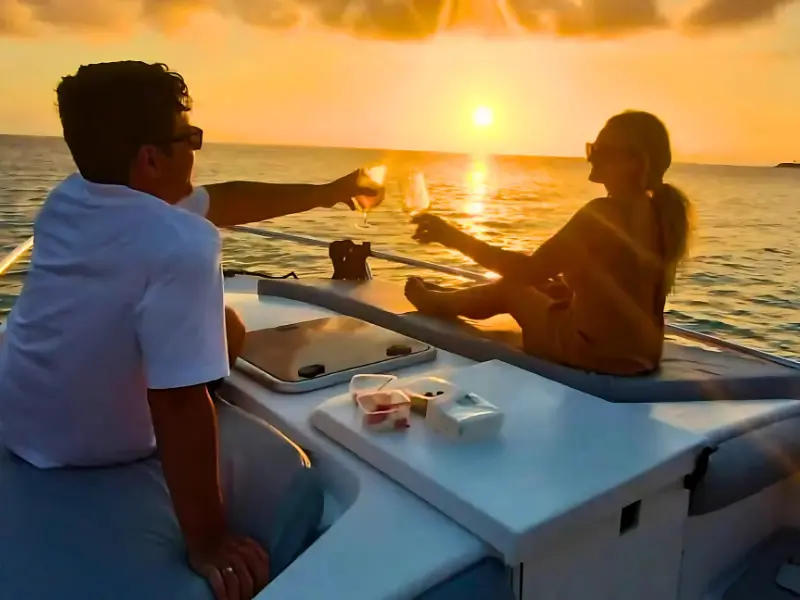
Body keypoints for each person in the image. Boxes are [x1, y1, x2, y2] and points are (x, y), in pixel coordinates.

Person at [0, 61, 375, 600]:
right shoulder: (179, 244)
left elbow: (221, 200)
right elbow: (178, 405)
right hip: (88, 447)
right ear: (152, 159)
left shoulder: (71, 198)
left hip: (21, 421)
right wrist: (208, 541)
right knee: (213, 352)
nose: (198, 148)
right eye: (190, 136)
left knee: (226, 326)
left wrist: (327, 191)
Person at [404, 111, 693, 376]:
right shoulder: (661, 212)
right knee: (552, 286)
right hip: (644, 355)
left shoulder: (603, 214)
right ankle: (451, 296)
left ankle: (436, 302)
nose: (591, 157)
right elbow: (618, 286)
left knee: (512, 288)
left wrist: (450, 236)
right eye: (591, 148)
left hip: (596, 354)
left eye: (601, 151)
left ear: (634, 162)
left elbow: (527, 271)